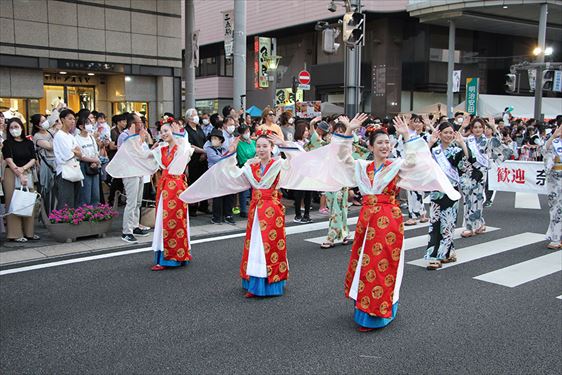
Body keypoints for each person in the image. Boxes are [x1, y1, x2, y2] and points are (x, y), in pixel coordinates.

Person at [292, 114, 459, 331]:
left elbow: (416, 162)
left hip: (388, 220)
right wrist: (349, 130)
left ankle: (380, 311)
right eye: (380, 142)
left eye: (388, 143)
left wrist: (407, 135)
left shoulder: (396, 166)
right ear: (370, 146)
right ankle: (364, 308)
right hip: (367, 219)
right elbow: (342, 157)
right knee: (364, 263)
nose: (385, 146)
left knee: (381, 264)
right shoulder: (362, 167)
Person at [179, 128, 347, 298]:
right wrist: (231, 154)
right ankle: (255, 281)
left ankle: (272, 282)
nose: (261, 149)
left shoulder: (279, 164)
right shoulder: (250, 166)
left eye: (265, 146)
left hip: (272, 210)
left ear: (271, 147)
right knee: (256, 245)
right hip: (256, 209)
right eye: (258, 146)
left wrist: (285, 145)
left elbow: (301, 162)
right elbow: (230, 175)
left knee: (271, 245)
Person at [107, 121, 194, 270]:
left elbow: (185, 147)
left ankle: (177, 255)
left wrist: (179, 133)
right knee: (163, 221)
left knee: (177, 221)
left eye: (167, 130)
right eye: (161, 132)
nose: (164, 134)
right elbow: (141, 155)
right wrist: (135, 139)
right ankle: (168, 257)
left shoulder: (183, 148)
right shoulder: (161, 149)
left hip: (177, 188)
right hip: (165, 187)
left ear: (175, 131)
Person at [424, 122, 470, 270]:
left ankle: (445, 253)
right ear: (440, 134)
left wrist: (462, 145)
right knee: (435, 224)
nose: (449, 135)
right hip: (436, 191)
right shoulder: (434, 150)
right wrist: (429, 143)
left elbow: (465, 168)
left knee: (448, 224)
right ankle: (434, 256)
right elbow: (420, 161)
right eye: (445, 132)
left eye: (451, 133)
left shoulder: (456, 151)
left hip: (451, 191)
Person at [2, 117, 38, 242]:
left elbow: (33, 158)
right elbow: (8, 160)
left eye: (16, 127)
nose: (14, 130)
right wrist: (19, 173)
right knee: (13, 202)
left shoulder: (28, 142)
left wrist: (23, 169)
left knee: (28, 201)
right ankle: (15, 234)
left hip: (26, 172)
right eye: (11, 128)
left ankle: (29, 232)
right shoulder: (7, 143)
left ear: (21, 128)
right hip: (11, 173)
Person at [116, 113, 150, 243]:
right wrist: (140, 138)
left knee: (137, 202)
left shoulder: (139, 135)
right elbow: (131, 151)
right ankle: (127, 231)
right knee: (131, 202)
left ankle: (135, 226)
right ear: (133, 124)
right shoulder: (124, 136)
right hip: (130, 172)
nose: (141, 124)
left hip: (139, 170)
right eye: (139, 122)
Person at [321, 121, 351, 248]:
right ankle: (344, 234)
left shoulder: (347, 147)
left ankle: (331, 237)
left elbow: (354, 144)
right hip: (329, 180)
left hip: (341, 181)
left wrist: (349, 127)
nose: (339, 134)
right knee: (336, 208)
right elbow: (314, 144)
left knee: (337, 209)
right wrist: (312, 126)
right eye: (336, 132)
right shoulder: (329, 145)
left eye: (341, 132)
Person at [53, 109, 83, 209]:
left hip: (74, 169)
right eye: (70, 119)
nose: (73, 121)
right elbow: (67, 154)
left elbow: (80, 152)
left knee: (75, 199)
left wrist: (75, 151)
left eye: (74, 119)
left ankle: (72, 221)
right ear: (62, 119)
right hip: (64, 171)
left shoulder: (70, 136)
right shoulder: (59, 135)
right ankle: (62, 223)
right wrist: (75, 151)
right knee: (66, 200)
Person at [204, 128, 234, 224]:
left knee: (228, 194)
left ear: (220, 140)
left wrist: (228, 156)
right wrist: (227, 156)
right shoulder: (209, 149)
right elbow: (217, 159)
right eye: (212, 138)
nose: (213, 140)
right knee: (217, 196)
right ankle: (217, 217)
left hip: (225, 174)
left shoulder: (224, 149)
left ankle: (228, 215)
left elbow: (230, 159)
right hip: (215, 175)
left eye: (215, 138)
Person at [31, 110, 58, 213]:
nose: (45, 122)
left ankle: (56, 212)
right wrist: (56, 132)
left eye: (45, 120)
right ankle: (48, 214)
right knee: (47, 190)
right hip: (46, 165)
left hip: (56, 163)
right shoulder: (37, 136)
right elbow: (50, 147)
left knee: (56, 190)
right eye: (42, 121)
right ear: (37, 125)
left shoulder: (51, 131)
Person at [185, 108, 210, 216]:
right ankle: (193, 207)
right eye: (195, 115)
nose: (197, 117)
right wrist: (202, 151)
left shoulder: (199, 129)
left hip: (203, 159)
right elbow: (190, 145)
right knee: (193, 183)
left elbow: (205, 142)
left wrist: (205, 152)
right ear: (189, 118)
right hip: (193, 160)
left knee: (203, 183)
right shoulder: (186, 130)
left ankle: (204, 205)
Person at [542, 125, 562, 249]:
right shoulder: (554, 143)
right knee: (556, 208)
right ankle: (556, 237)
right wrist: (553, 136)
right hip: (556, 179)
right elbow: (544, 151)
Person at [75, 110, 101, 205]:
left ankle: (95, 210)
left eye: (90, 123)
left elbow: (96, 151)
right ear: (81, 126)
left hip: (94, 165)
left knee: (95, 191)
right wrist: (93, 160)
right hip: (84, 166)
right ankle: (85, 211)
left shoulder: (91, 137)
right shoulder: (76, 138)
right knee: (86, 191)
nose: (89, 125)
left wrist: (95, 160)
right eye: (87, 123)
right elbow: (80, 155)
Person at [292, 120, 313, 223]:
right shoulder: (295, 144)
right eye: (305, 130)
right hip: (299, 171)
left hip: (309, 171)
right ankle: (297, 214)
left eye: (307, 130)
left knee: (308, 193)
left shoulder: (309, 143)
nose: (307, 132)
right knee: (299, 193)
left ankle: (307, 214)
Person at [236, 124, 256, 219]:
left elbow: (257, 153)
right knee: (244, 190)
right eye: (244, 132)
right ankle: (243, 209)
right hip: (245, 168)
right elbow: (242, 159)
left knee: (254, 189)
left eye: (247, 131)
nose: (247, 133)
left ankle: (254, 208)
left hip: (255, 168)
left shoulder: (252, 142)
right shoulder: (239, 144)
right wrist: (252, 160)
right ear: (240, 134)